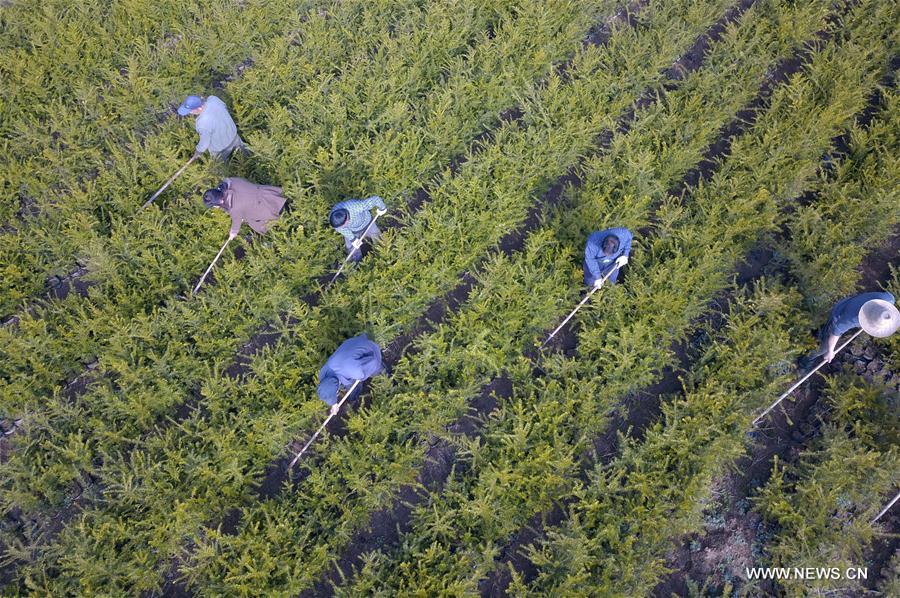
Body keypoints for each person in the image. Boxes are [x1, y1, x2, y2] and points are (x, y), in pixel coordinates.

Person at [804, 291, 898, 366]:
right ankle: (806, 360)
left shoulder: (889, 300)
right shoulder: (852, 319)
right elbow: (835, 333)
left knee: (826, 332)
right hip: (838, 314)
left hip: (850, 302)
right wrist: (830, 352)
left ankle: (820, 332)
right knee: (824, 348)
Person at [317, 334, 384, 415]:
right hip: (352, 345)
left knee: (375, 367)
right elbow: (328, 388)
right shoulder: (326, 372)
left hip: (370, 351)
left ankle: (384, 374)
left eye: (336, 393)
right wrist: (334, 405)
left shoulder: (354, 371)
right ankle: (354, 396)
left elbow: (365, 371)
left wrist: (361, 377)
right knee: (351, 384)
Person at [202, 178, 286, 240]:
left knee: (256, 222)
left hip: (267, 208)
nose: (215, 207)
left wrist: (232, 234)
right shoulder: (232, 182)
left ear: (220, 201)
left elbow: (236, 223)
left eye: (214, 205)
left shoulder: (234, 208)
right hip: (270, 194)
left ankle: (278, 229)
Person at [178, 95, 243, 159]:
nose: (190, 113)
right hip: (234, 137)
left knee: (221, 168)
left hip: (220, 150)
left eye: (191, 111)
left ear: (199, 108)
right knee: (247, 155)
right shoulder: (213, 99)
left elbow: (205, 142)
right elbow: (224, 106)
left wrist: (198, 151)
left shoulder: (202, 123)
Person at [329, 196, 387, 261]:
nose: (340, 228)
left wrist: (382, 208)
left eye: (342, 226)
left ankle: (384, 252)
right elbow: (341, 229)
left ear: (347, 220)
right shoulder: (333, 218)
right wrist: (353, 239)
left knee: (377, 237)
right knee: (351, 248)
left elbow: (376, 199)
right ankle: (356, 261)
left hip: (367, 223)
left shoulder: (357, 207)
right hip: (352, 230)